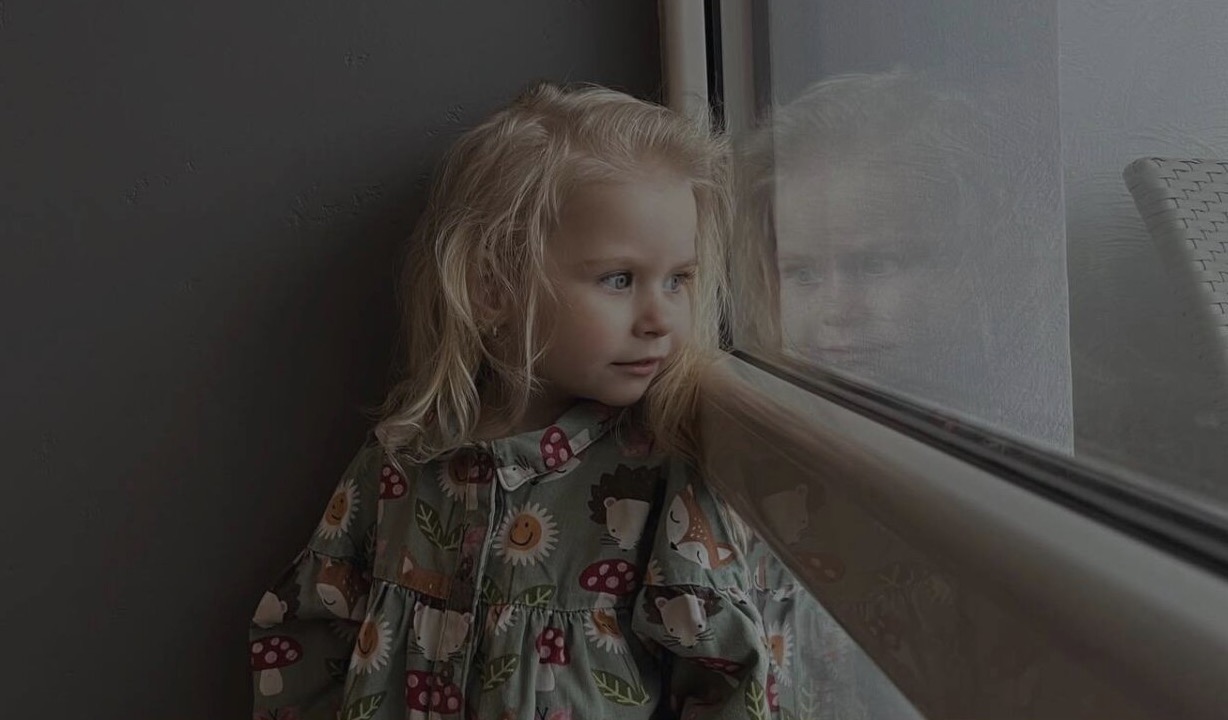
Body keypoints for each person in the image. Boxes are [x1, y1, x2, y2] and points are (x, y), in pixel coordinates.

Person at [249, 82, 790, 720]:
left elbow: (725, 679)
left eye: (679, 280)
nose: (660, 317)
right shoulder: (404, 456)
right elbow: (309, 633)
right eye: (619, 279)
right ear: (493, 287)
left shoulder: (661, 473)